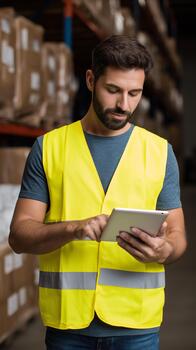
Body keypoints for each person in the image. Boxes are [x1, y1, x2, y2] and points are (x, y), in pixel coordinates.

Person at [9, 35, 187, 350]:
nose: (124, 105)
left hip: (137, 326)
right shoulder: (50, 147)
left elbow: (177, 236)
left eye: (135, 93)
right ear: (91, 80)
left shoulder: (160, 152)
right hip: (68, 327)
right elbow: (20, 236)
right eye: (113, 90)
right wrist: (73, 228)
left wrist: (165, 250)